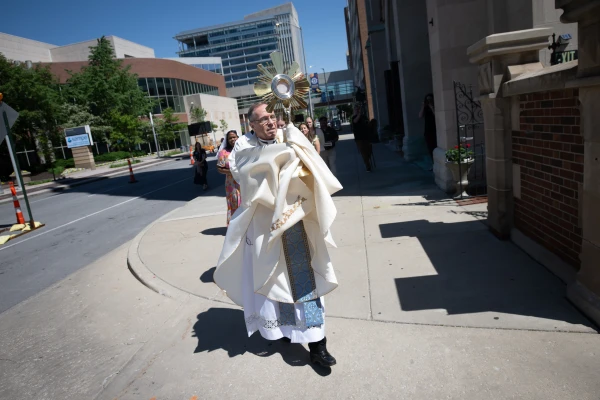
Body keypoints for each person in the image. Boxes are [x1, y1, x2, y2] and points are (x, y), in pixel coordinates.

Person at [214, 102, 343, 367]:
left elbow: (311, 167)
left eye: (272, 117)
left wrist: (293, 147)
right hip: (264, 227)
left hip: (295, 222)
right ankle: (286, 332)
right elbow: (245, 177)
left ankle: (318, 345)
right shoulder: (244, 146)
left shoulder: (290, 135)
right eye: (263, 119)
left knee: (305, 280)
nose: (270, 122)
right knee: (274, 282)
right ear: (251, 124)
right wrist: (277, 161)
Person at [217, 130, 241, 226]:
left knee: (245, 202)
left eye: (234, 137)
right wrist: (232, 172)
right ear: (227, 140)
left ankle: (247, 226)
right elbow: (219, 168)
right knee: (235, 202)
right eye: (230, 138)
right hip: (232, 183)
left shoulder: (243, 149)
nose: (233, 139)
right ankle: (235, 227)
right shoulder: (224, 152)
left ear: (238, 137)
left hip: (244, 181)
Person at [352, 103, 372, 172]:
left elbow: (367, 123)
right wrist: (359, 114)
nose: (357, 110)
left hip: (366, 136)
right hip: (359, 138)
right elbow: (355, 121)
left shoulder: (364, 117)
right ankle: (367, 165)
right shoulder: (354, 117)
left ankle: (367, 161)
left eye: (358, 109)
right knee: (363, 152)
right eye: (356, 109)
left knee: (369, 151)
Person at [419, 93, 437, 163]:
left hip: (434, 129)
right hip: (427, 130)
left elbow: (436, 115)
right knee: (430, 148)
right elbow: (420, 116)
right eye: (427, 100)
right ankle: (433, 163)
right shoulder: (425, 108)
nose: (429, 101)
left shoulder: (434, 106)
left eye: (430, 99)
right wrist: (423, 106)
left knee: (435, 146)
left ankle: (435, 163)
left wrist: (432, 107)